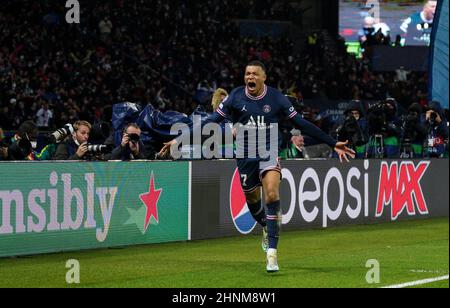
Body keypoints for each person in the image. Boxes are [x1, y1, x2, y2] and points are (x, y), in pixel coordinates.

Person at [159, 61, 355, 273]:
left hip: (268, 152)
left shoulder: (276, 98)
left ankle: (272, 254)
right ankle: (264, 225)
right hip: (245, 156)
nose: (250, 77)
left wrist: (332, 142)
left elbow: (301, 123)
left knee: (271, 194)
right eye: (247, 74)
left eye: (254, 74)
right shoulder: (235, 96)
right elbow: (211, 122)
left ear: (263, 77)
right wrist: (180, 140)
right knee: (253, 202)